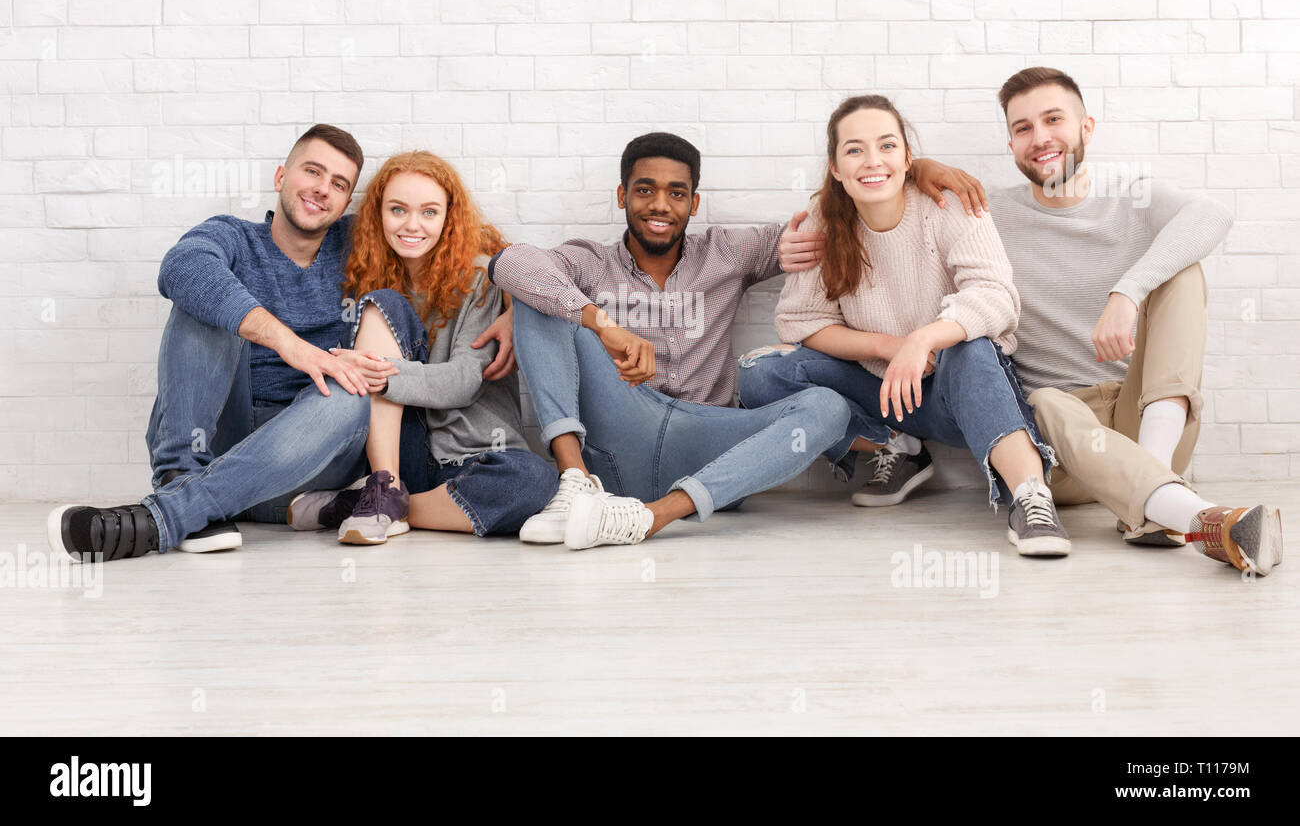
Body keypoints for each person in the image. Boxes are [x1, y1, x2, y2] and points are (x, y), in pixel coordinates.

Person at [489, 131, 985, 550]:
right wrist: (602, 323)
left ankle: (649, 518)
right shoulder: (589, 260)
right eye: (644, 190)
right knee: (535, 297)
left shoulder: (726, 252)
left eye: (676, 193)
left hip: (708, 442)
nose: (660, 205)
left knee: (824, 407)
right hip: (619, 430)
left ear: (693, 202)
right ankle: (574, 484)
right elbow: (512, 261)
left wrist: (915, 169)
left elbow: (844, 211)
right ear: (622, 196)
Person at [48, 126, 514, 563]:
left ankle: (172, 514)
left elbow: (461, 238)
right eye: (312, 171)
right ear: (281, 176)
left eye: (337, 183)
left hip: (311, 451)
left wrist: (516, 307)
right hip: (224, 436)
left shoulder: (360, 242)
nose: (321, 189)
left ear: (347, 202)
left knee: (354, 391)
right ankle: (182, 481)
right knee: (202, 297)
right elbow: (180, 268)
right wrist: (288, 343)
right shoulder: (232, 237)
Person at [737, 95, 1068, 556]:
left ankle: (1031, 496)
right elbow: (801, 322)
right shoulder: (824, 222)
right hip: (879, 393)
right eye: (854, 150)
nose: (872, 161)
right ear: (835, 167)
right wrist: (889, 346)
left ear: (907, 158)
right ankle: (896, 445)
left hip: (949, 391)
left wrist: (923, 339)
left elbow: (996, 297)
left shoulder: (946, 203)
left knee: (974, 347)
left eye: (886, 146)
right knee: (761, 372)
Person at [986, 66, 1281, 576]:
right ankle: (1182, 510)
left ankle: (1153, 483)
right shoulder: (990, 213)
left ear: (1087, 127)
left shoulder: (1132, 197)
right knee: (1044, 400)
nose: (1040, 138)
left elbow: (1212, 216)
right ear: (1011, 143)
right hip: (1063, 451)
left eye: (1054, 119)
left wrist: (1127, 290)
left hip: (1143, 417)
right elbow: (905, 212)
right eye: (1023, 128)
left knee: (1182, 268)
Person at [287, 151, 559, 544]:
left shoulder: (481, 279)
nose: (412, 225)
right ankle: (385, 486)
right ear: (378, 215)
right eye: (398, 210)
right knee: (386, 301)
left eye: (429, 213)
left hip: (477, 455)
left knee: (534, 482)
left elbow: (464, 381)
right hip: (403, 455)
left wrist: (381, 374)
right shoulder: (369, 278)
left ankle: (373, 504)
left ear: (449, 217)